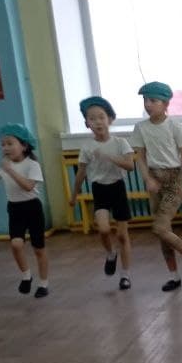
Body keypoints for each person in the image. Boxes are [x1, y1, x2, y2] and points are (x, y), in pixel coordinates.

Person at [131, 81, 182, 292]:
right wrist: (148, 179)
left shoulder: (174, 127)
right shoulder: (140, 128)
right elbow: (140, 156)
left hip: (174, 181)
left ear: (166, 103)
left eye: (153, 100)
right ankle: (174, 276)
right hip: (155, 181)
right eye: (145, 100)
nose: (148, 104)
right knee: (163, 232)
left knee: (160, 228)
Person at [69, 97, 135, 290]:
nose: (97, 122)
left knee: (122, 235)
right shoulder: (87, 147)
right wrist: (74, 194)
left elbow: (130, 165)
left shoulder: (121, 142)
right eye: (92, 119)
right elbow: (81, 173)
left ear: (110, 119)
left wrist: (110, 157)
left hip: (118, 188)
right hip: (99, 189)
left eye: (101, 117)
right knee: (104, 229)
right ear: (87, 123)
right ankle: (110, 254)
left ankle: (125, 275)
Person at [0, 123, 50, 298]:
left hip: (32, 208)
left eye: (10, 143)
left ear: (24, 146)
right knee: (16, 244)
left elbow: (28, 186)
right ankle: (26, 275)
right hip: (14, 208)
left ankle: (43, 283)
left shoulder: (32, 165)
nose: (5, 147)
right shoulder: (4, 166)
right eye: (3, 144)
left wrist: (10, 170)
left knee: (39, 248)